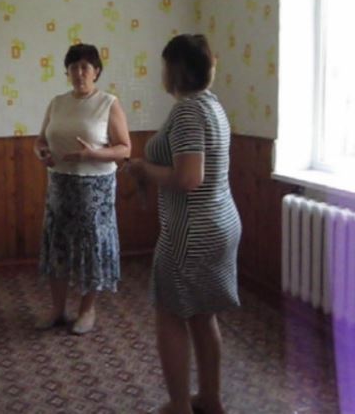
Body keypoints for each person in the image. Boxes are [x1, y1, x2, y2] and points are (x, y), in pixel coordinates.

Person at [126, 34, 242, 414]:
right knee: (203, 314)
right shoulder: (212, 105)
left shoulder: (188, 111)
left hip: (191, 232)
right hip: (219, 223)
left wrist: (144, 169)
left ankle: (179, 406)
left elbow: (189, 177)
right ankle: (209, 399)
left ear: (174, 70)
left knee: (171, 314)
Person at [34, 43, 131, 335]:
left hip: (95, 188)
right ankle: (57, 309)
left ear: (96, 71)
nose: (79, 73)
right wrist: (41, 152)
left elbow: (124, 149)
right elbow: (40, 140)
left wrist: (93, 154)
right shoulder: (57, 103)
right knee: (58, 247)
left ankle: (87, 310)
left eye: (85, 67)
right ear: (67, 72)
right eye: (73, 67)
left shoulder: (108, 103)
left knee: (91, 249)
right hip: (59, 185)